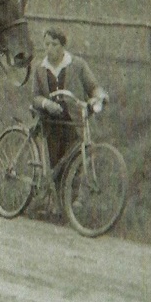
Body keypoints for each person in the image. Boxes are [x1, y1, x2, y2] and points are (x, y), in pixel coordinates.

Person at [32, 27, 108, 187]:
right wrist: (47, 104)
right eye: (46, 44)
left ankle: (71, 203)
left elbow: (93, 87)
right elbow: (35, 97)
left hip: (73, 121)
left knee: (75, 164)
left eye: (54, 44)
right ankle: (55, 203)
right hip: (51, 123)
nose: (50, 49)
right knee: (56, 166)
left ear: (63, 46)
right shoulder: (40, 68)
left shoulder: (77, 65)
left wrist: (99, 96)